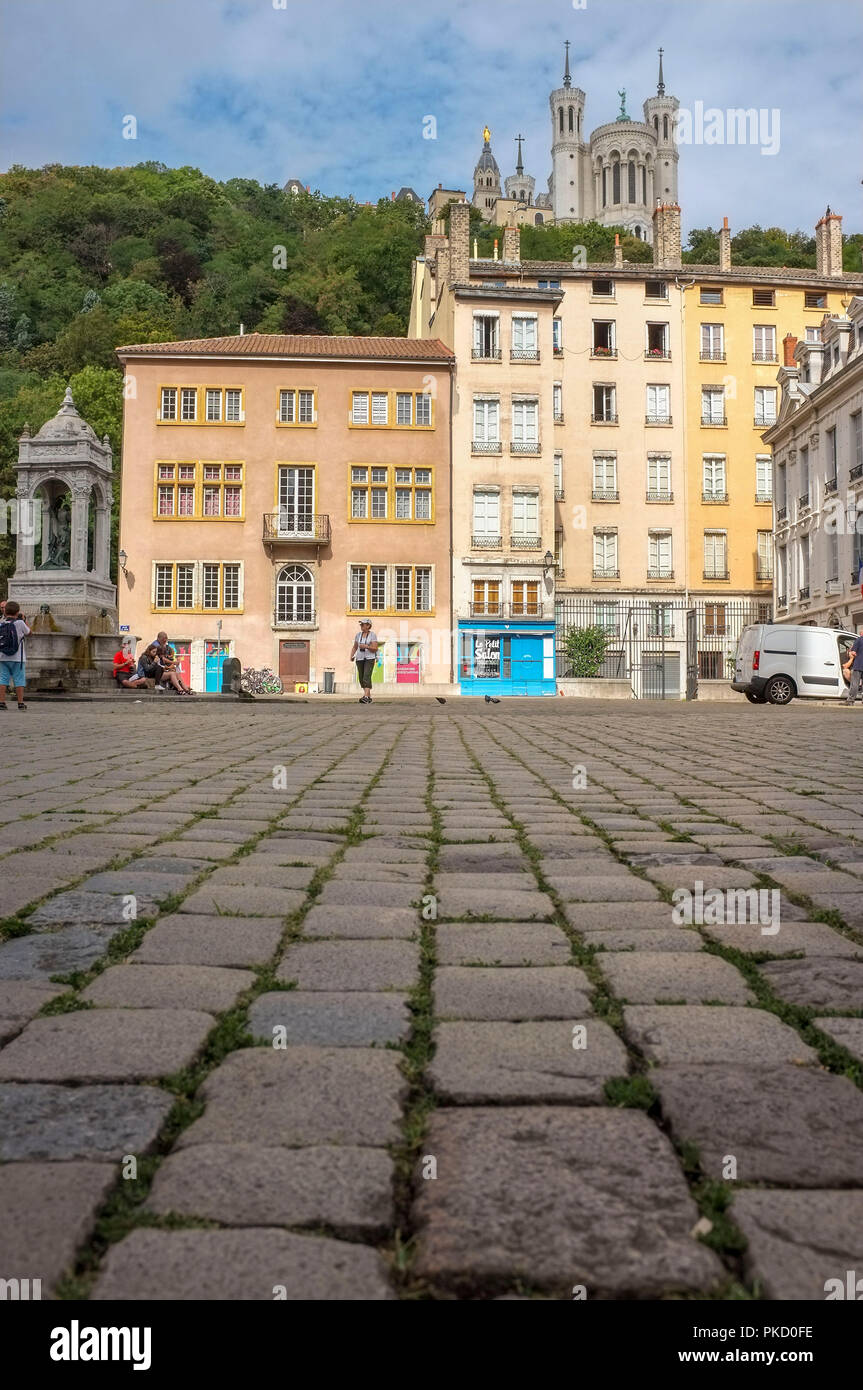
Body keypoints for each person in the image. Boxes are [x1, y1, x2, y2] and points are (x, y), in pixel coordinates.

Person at [0, 600, 32, 711]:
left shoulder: (1, 623)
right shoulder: (20, 623)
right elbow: (29, 633)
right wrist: (23, 620)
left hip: (3, 656)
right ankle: (20, 703)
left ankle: (2, 702)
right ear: (17, 612)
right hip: (18, 658)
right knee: (19, 680)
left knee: (3, 679)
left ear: (5, 611)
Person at [350, 619, 379, 704]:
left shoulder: (372, 635)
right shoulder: (358, 635)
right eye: (361, 625)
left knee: (366, 676)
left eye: (363, 625)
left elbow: (375, 648)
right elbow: (355, 647)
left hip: (369, 658)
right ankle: (368, 698)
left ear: (368, 625)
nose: (361, 626)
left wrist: (366, 646)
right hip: (359, 658)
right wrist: (351, 655)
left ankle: (366, 696)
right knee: (361, 678)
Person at [842, 628, 863, 705]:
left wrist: (852, 653)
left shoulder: (859, 639)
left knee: (855, 684)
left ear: (861, 634)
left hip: (858, 665)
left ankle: (850, 701)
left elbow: (853, 652)